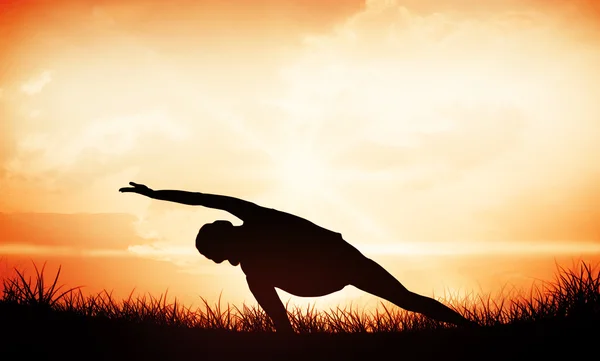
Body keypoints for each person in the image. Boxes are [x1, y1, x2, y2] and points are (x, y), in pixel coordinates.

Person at [119, 182, 475, 333]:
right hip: (318, 276)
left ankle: (473, 331)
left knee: (405, 299)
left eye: (222, 255)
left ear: (228, 236)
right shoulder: (252, 267)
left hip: (339, 261)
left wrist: (155, 194)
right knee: (255, 277)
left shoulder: (256, 217)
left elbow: (204, 198)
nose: (227, 262)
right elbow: (273, 307)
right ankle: (288, 341)